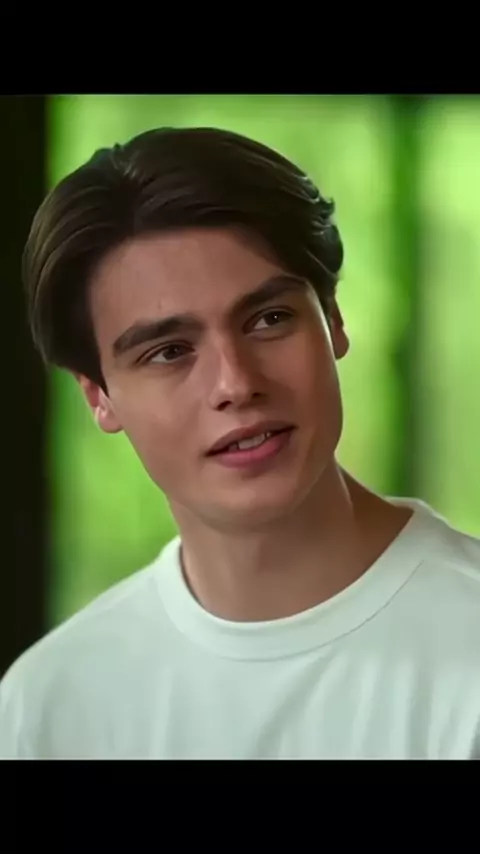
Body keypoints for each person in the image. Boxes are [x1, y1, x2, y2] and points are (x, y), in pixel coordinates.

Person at [1, 126, 479, 760]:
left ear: (334, 320)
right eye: (169, 352)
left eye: (269, 319)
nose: (235, 383)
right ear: (98, 396)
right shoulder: (48, 707)